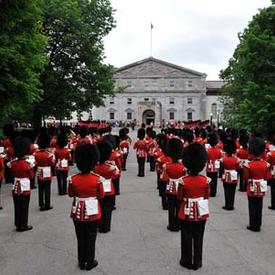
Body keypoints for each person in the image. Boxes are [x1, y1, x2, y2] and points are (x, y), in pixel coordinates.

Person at [68, 144, 105, 270]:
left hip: (77, 211)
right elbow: (101, 195)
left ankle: (81, 261)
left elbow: (70, 194)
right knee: (91, 236)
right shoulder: (97, 179)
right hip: (93, 211)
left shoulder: (73, 179)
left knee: (80, 236)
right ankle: (89, 262)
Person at [177, 143, 210, 270]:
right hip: (201, 211)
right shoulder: (205, 181)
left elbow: (180, 197)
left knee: (186, 236)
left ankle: (186, 260)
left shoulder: (184, 181)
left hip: (186, 212)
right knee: (199, 236)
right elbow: (207, 196)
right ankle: (197, 261)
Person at [244, 137, 271, 232]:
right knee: (259, 206)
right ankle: (258, 224)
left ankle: (253, 224)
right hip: (261, 188)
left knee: (252, 206)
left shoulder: (248, 165)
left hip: (251, 188)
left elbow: (246, 178)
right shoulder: (266, 164)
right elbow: (267, 178)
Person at [9, 135, 35, 232]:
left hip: (15, 186)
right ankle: (23, 224)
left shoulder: (12, 163)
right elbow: (31, 176)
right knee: (24, 206)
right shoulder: (27, 164)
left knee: (17, 205)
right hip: (24, 187)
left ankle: (18, 223)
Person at [93, 141, 119, 233]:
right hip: (109, 190)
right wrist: (114, 166)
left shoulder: (95, 167)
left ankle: (99, 225)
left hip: (97, 189)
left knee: (99, 206)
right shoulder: (109, 167)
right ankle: (106, 227)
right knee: (108, 209)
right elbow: (117, 175)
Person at [161, 138, 185, 232]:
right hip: (180, 188)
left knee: (171, 207)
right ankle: (178, 224)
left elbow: (163, 179)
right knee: (179, 206)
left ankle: (171, 224)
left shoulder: (167, 166)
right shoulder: (183, 167)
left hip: (170, 188)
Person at [34, 132, 55, 211]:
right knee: (47, 188)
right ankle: (47, 204)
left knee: (40, 188)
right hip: (47, 172)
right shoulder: (49, 154)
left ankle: (41, 204)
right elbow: (53, 163)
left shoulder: (36, 154)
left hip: (39, 172)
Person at [220, 139, 240, 210]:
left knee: (226, 190)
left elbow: (221, 169)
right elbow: (238, 168)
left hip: (226, 175)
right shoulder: (237, 159)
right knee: (232, 190)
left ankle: (227, 204)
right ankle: (231, 205)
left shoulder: (223, 159)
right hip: (234, 175)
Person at [206, 132, 223, 197]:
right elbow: (220, 157)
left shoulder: (208, 150)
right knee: (215, 179)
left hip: (209, 166)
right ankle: (214, 192)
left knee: (210, 179)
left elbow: (206, 158)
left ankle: (210, 191)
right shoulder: (219, 150)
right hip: (216, 167)